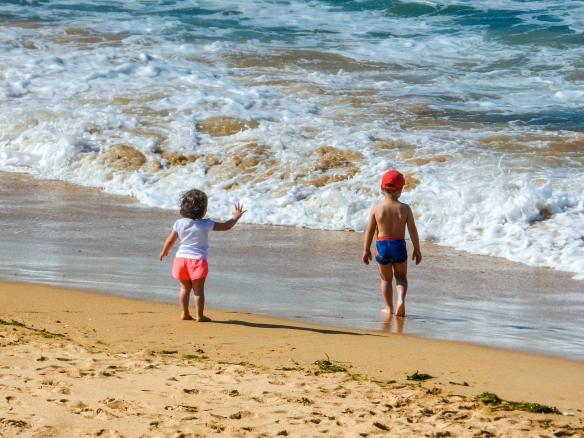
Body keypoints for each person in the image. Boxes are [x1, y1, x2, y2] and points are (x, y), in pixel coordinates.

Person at [159, 189, 245, 322]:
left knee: (184, 288)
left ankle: (184, 313)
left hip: (181, 260)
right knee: (198, 290)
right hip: (197, 261)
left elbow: (170, 240)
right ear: (203, 209)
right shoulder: (205, 224)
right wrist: (235, 217)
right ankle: (199, 315)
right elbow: (226, 226)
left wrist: (164, 251)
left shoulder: (179, 223)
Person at [362, 170, 422, 317]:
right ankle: (400, 300)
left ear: (382, 189)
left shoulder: (377, 209)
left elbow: (369, 231)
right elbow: (413, 230)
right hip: (399, 245)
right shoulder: (405, 209)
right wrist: (417, 249)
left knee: (386, 279)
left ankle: (389, 308)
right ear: (401, 190)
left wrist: (366, 250)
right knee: (401, 277)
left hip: (382, 245)